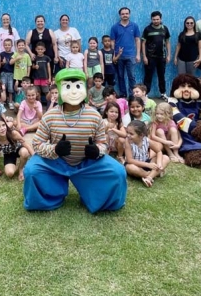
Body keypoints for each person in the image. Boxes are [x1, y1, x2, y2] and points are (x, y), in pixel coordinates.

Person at [23, 69, 127, 214]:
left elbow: (103, 143)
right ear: (59, 90)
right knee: (32, 170)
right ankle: (48, 199)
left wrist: (97, 150)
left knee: (118, 172)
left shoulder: (94, 115)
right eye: (67, 86)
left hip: (87, 163)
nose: (73, 92)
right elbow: (37, 144)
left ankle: (100, 199)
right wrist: (55, 149)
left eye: (77, 86)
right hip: (57, 162)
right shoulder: (50, 116)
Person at [0, 115, 33, 183]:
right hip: (8, 154)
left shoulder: (13, 134)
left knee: (25, 152)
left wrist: (34, 156)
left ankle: (21, 169)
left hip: (18, 149)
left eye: (3, 125)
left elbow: (26, 144)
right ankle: (17, 164)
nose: (2, 128)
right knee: (10, 173)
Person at [124, 120, 167, 187]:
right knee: (130, 167)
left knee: (166, 158)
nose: (128, 135)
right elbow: (130, 160)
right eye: (127, 132)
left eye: (131, 134)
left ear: (141, 135)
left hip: (147, 162)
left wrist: (159, 163)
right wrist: (148, 165)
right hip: (135, 165)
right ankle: (152, 174)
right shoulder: (128, 142)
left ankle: (149, 178)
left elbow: (158, 152)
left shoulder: (146, 140)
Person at [110, 7, 141, 99]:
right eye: (123, 14)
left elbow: (137, 40)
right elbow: (112, 41)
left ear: (129, 14)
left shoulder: (134, 26)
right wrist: (114, 55)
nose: (125, 15)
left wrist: (138, 54)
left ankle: (132, 95)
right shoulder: (115, 27)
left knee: (131, 76)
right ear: (120, 15)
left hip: (131, 55)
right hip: (119, 56)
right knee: (120, 76)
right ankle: (123, 94)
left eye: (126, 13)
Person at [141, 11, 171, 99]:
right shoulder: (147, 29)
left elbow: (168, 42)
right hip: (150, 57)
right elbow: (143, 43)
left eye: (157, 19)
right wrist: (144, 56)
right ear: (151, 19)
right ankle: (145, 94)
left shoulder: (164, 29)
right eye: (154, 19)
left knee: (161, 75)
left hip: (162, 57)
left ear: (160, 19)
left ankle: (163, 93)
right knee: (148, 76)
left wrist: (169, 55)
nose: (156, 21)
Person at [0, 39, 15, 108]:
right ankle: (3, 101)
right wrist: (3, 62)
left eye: (9, 45)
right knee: (3, 87)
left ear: (12, 45)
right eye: (5, 45)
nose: (7, 46)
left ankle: (10, 101)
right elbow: (0, 64)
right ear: (3, 45)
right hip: (3, 73)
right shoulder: (1, 54)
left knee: (10, 88)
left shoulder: (14, 54)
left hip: (11, 73)